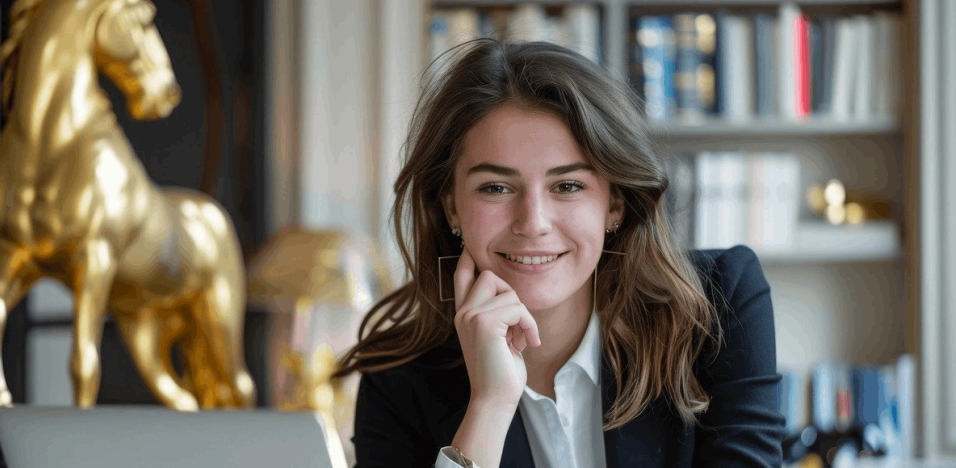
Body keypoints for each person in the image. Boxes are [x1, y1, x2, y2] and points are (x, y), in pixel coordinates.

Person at [334, 39, 785, 468]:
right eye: (495, 187)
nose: (533, 222)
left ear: (614, 203)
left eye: (568, 186)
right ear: (451, 204)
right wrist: (489, 406)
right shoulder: (396, 380)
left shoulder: (717, 305)